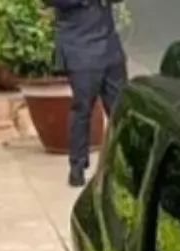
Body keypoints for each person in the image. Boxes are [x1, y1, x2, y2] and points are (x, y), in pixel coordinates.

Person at [46, 0, 127, 187]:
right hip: (80, 47)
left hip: (109, 46)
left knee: (122, 109)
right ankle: (77, 166)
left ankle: (126, 164)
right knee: (82, 108)